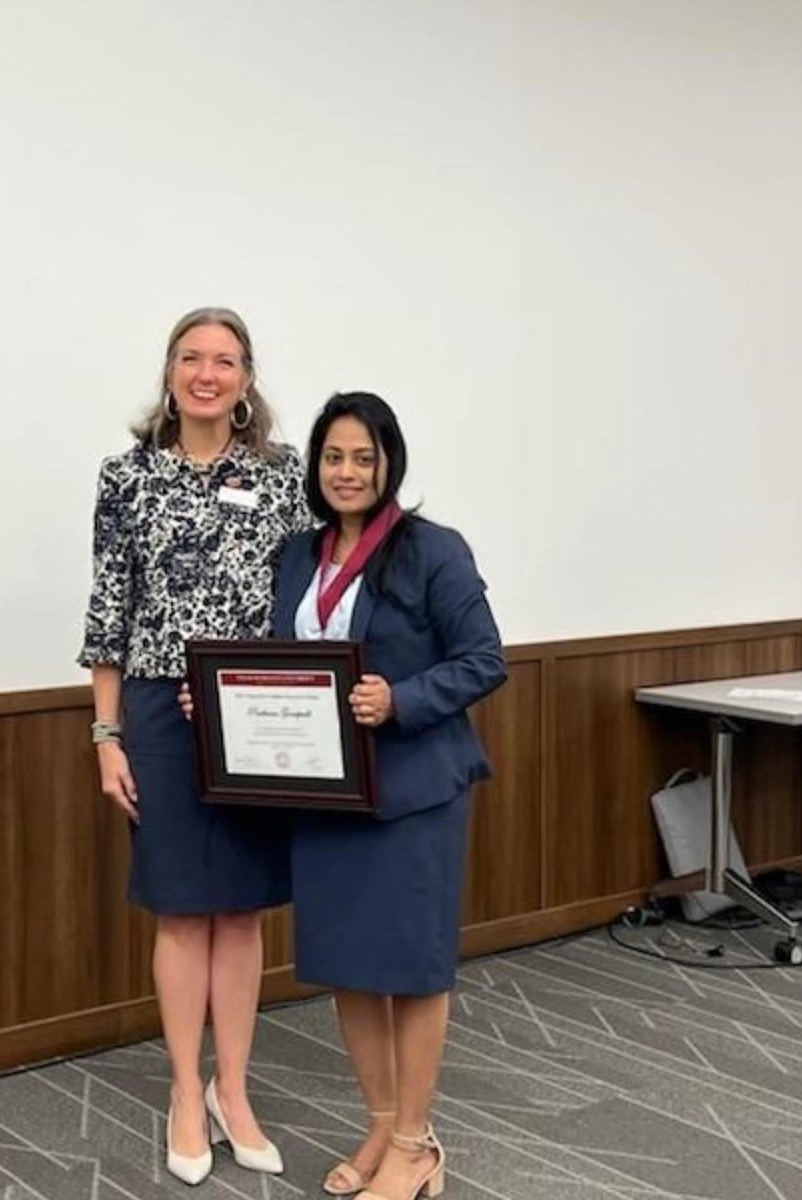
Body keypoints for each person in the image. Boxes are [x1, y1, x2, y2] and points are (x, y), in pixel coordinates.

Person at [182, 391, 506, 1200]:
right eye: (334, 456)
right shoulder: (300, 554)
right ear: (316, 468)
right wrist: (218, 699)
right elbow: (284, 659)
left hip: (413, 794)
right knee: (352, 969)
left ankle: (416, 1143)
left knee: (413, 969)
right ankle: (381, 1122)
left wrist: (401, 698)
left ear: (389, 462)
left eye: (365, 456)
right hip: (327, 797)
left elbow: (483, 660)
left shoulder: (435, 550)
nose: (349, 471)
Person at [78, 307, 310, 1187]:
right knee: (182, 908)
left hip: (254, 713)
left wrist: (275, 687)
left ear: (248, 379)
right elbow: (108, 610)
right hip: (156, 714)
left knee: (243, 909)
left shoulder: (285, 478)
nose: (206, 373)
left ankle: (234, 1091)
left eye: (225, 360)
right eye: (191, 358)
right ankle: (184, 1092)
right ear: (169, 372)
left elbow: (302, 603)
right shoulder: (127, 475)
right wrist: (107, 735)